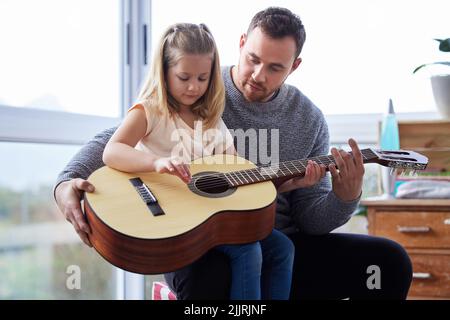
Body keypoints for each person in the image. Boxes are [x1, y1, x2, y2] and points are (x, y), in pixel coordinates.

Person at [54, 7, 412, 300]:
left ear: (295, 66)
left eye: (275, 68)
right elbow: (116, 138)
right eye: (253, 58)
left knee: (388, 262)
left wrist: (344, 197)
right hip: (194, 238)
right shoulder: (201, 86)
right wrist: (65, 183)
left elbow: (311, 221)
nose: (258, 75)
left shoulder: (309, 119)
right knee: (217, 274)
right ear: (240, 44)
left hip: (275, 238)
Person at [99, 22, 321, 300]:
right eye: (184, 77)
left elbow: (239, 173)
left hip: (211, 217)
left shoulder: (212, 120)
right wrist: (156, 162)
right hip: (174, 219)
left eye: (203, 78)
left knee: (282, 248)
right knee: (248, 249)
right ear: (164, 71)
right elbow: (113, 151)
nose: (194, 87)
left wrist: (289, 185)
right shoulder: (150, 110)